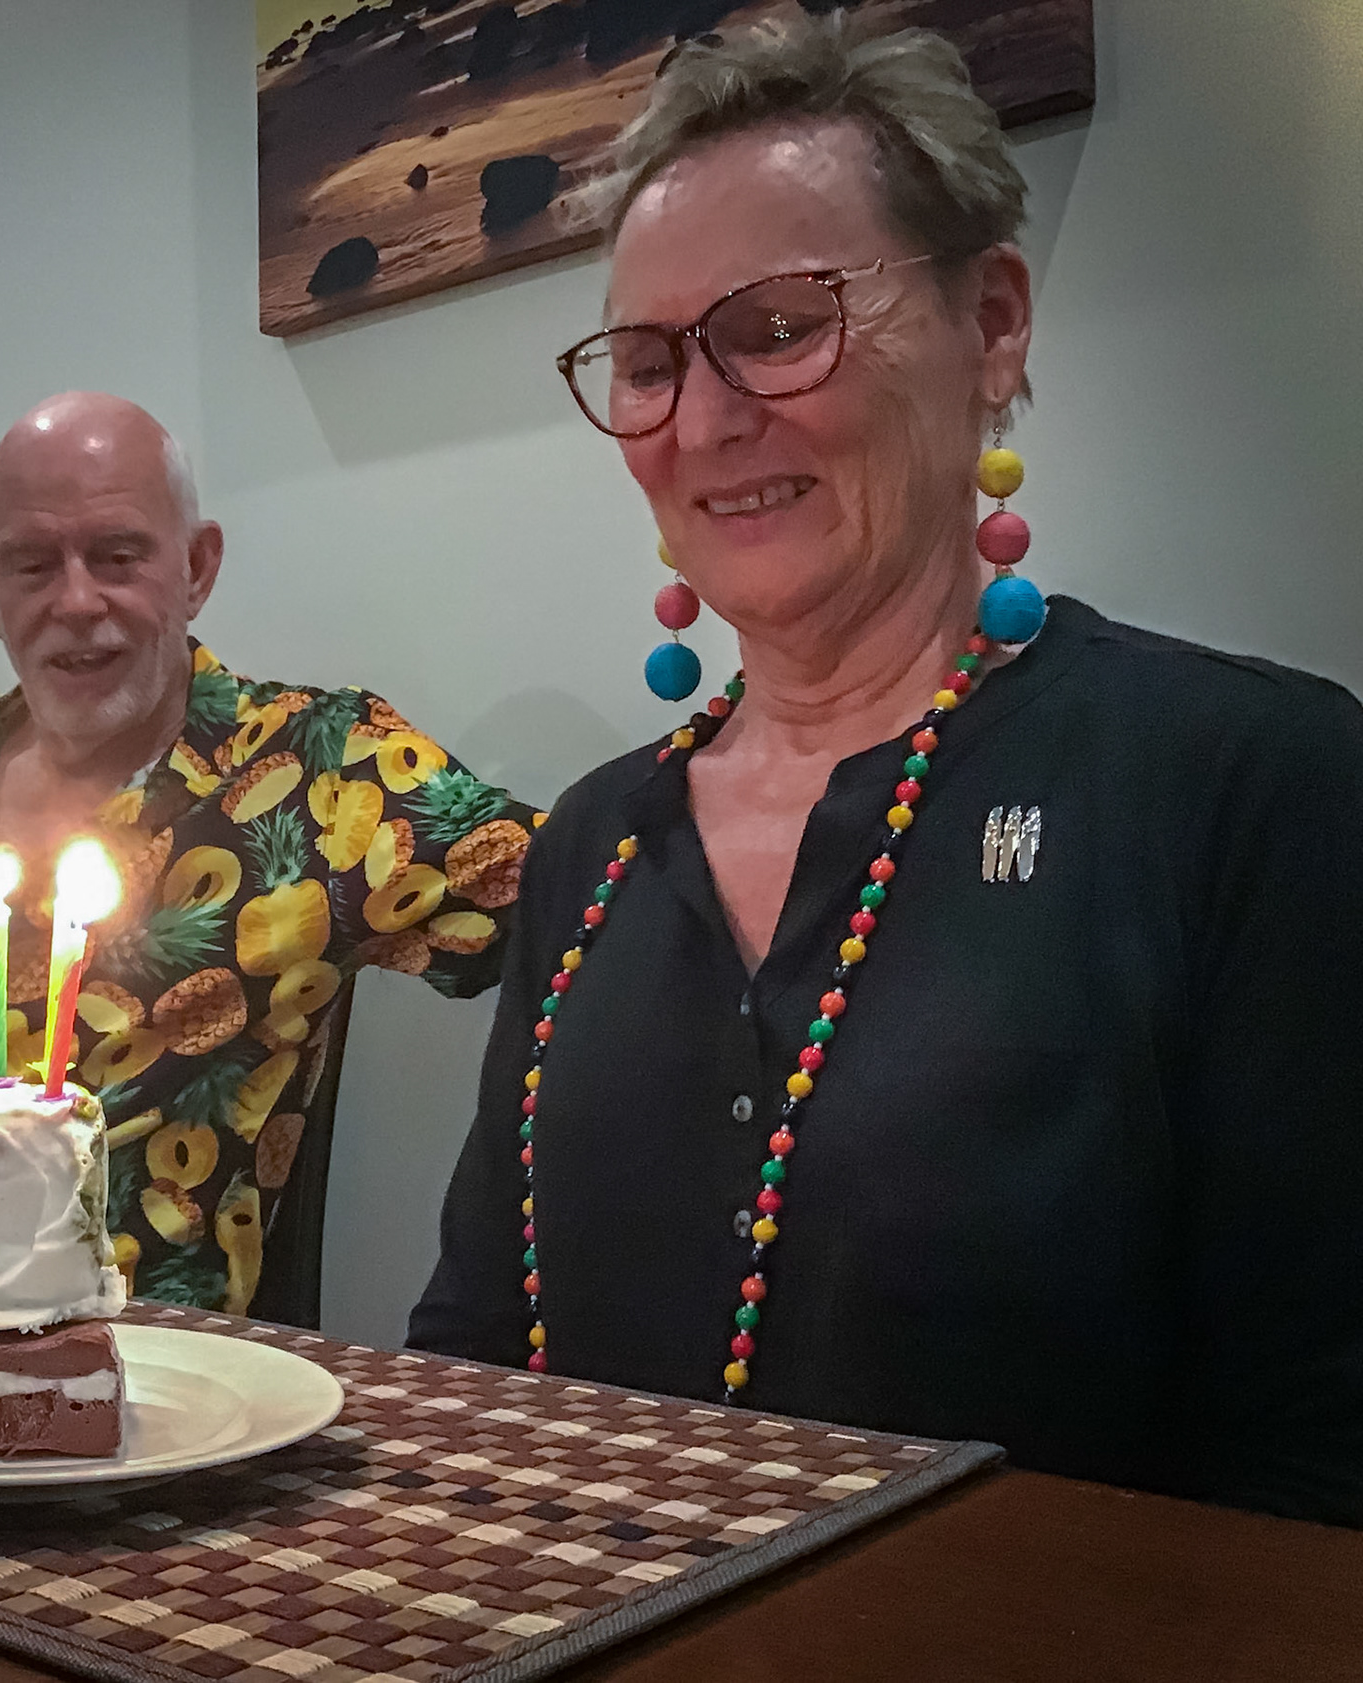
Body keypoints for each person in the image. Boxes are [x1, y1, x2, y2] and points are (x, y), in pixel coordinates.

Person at [409, 9, 1363, 1527]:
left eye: (782, 325)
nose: (707, 420)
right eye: (649, 361)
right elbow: (471, 1353)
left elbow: (1321, 1460)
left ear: (993, 324)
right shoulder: (592, 842)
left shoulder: (1253, 788)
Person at [0, 392, 539, 1316]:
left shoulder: (323, 772)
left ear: (197, 567)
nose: (76, 601)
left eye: (118, 555)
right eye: (32, 564)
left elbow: (591, 907)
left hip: (125, 1372)